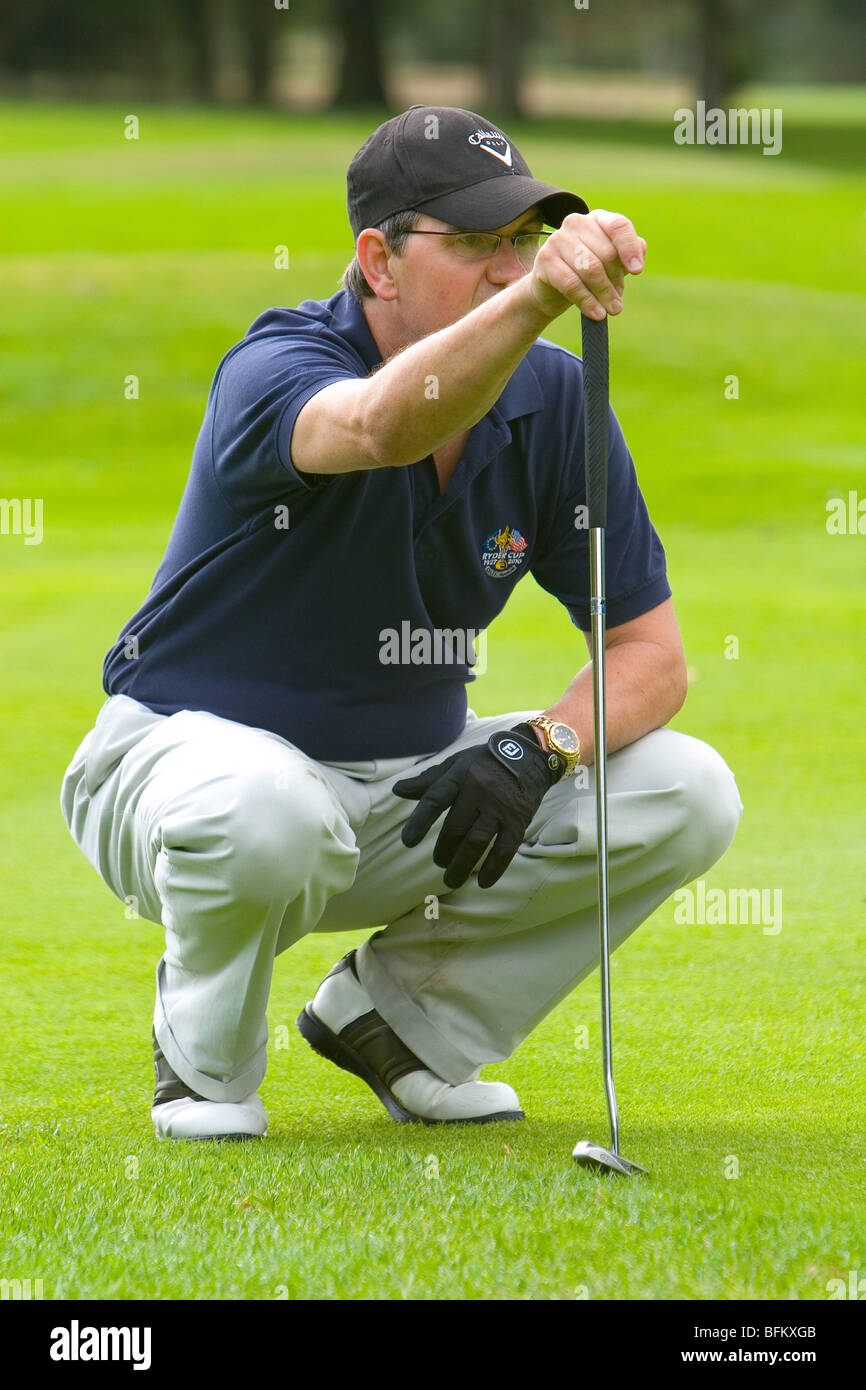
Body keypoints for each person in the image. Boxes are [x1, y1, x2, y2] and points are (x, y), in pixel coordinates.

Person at [60, 105, 742, 1141]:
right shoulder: (277, 365)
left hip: (402, 791)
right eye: (471, 244)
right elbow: (381, 424)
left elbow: (648, 655)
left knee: (687, 789)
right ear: (376, 260)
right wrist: (544, 298)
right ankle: (202, 1068)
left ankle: (399, 1027)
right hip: (178, 769)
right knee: (263, 808)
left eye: (520, 243)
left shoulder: (553, 402)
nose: (508, 272)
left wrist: (535, 748)